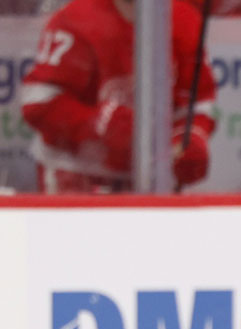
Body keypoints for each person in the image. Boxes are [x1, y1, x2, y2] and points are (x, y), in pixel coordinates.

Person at [20, 0, 215, 193]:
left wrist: (189, 139)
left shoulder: (185, 20)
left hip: (151, 175)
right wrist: (96, 123)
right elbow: (37, 101)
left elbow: (198, 102)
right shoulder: (74, 19)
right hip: (75, 173)